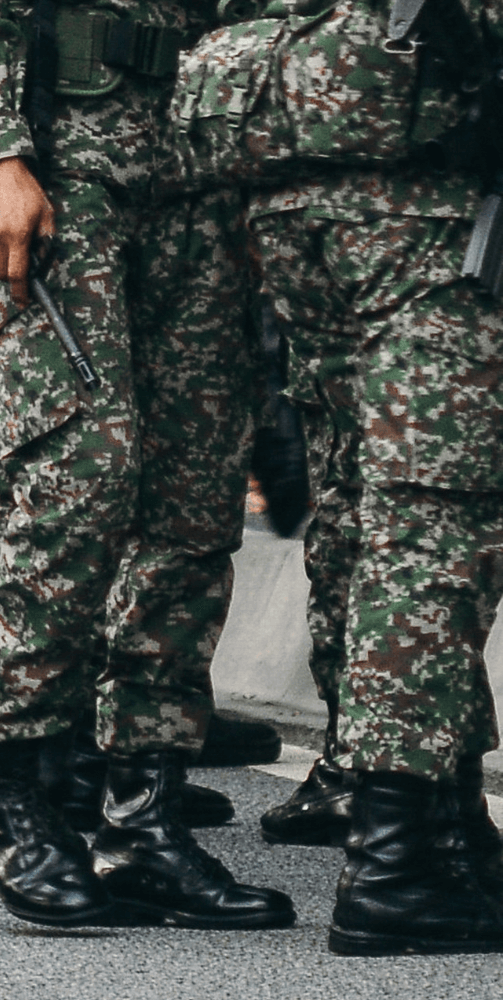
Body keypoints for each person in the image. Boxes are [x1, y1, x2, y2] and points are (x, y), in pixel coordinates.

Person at [0, 0, 292, 929]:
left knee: (193, 503)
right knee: (78, 479)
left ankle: (144, 818)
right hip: (64, 161)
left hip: (203, 165)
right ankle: (8, 791)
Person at [190, 0, 503, 954]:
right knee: (434, 512)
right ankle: (397, 863)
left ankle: (444, 828)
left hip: (300, 162)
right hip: (420, 179)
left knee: (370, 497)